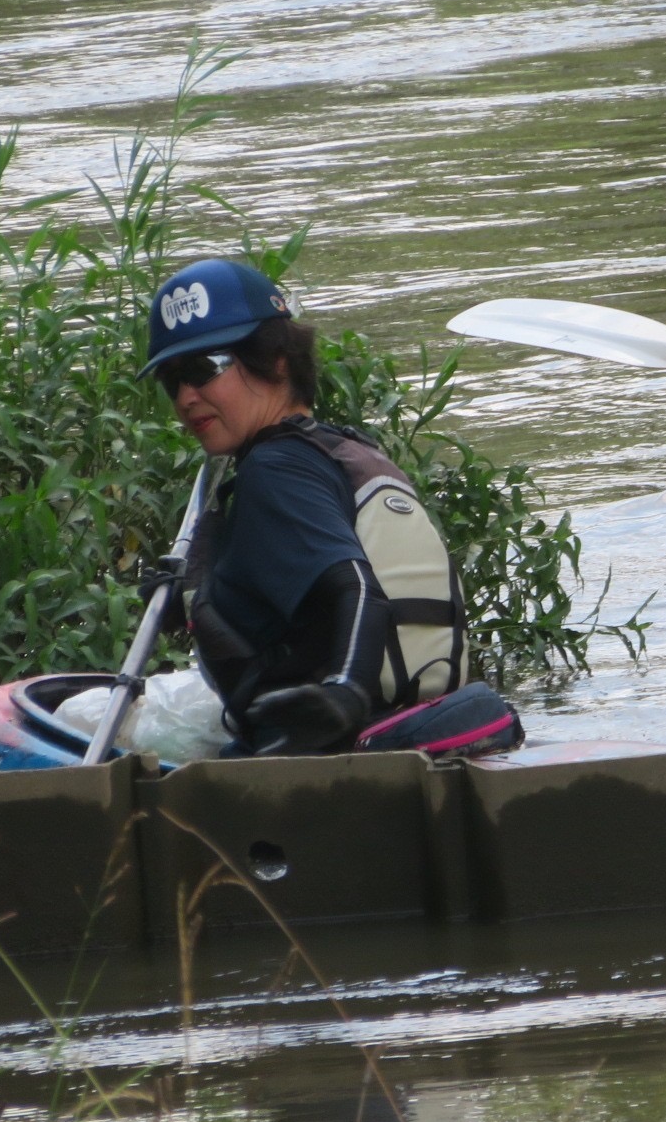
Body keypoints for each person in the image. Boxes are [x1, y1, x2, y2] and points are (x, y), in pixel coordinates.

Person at [140, 259, 467, 755]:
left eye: (206, 369)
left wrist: (346, 692)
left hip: (324, 751)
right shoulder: (342, 450)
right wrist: (189, 600)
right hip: (411, 722)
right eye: (172, 379)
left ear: (277, 361)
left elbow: (357, 586)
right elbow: (299, 601)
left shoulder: (274, 469)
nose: (187, 397)